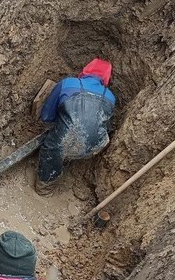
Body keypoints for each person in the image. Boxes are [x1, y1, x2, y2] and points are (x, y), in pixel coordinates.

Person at [36, 58, 116, 195]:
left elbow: (46, 116)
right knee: (75, 142)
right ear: (106, 78)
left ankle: (44, 188)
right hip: (96, 146)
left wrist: (61, 121)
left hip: (66, 142)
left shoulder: (68, 83)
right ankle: (69, 159)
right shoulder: (110, 97)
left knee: (53, 147)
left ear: (86, 70)